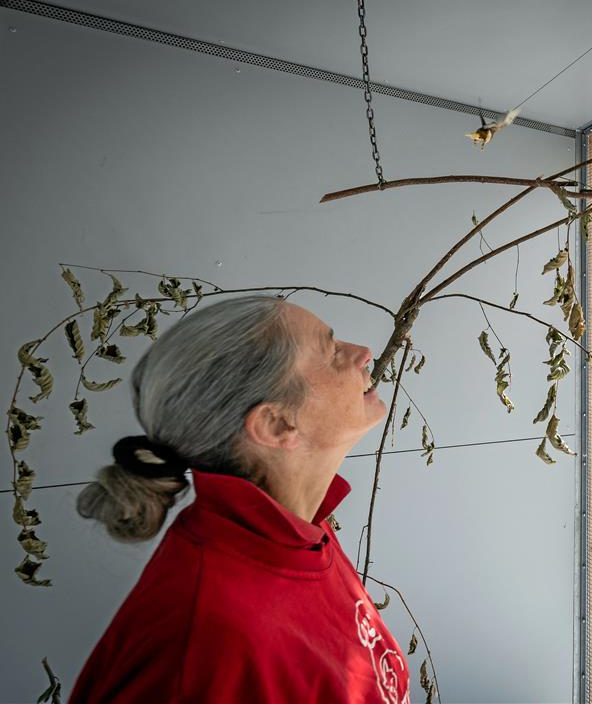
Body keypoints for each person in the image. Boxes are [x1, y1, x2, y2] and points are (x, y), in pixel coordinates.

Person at [70, 295, 411, 704]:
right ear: (277, 423)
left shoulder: (300, 528)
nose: (363, 353)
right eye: (332, 350)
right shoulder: (203, 646)